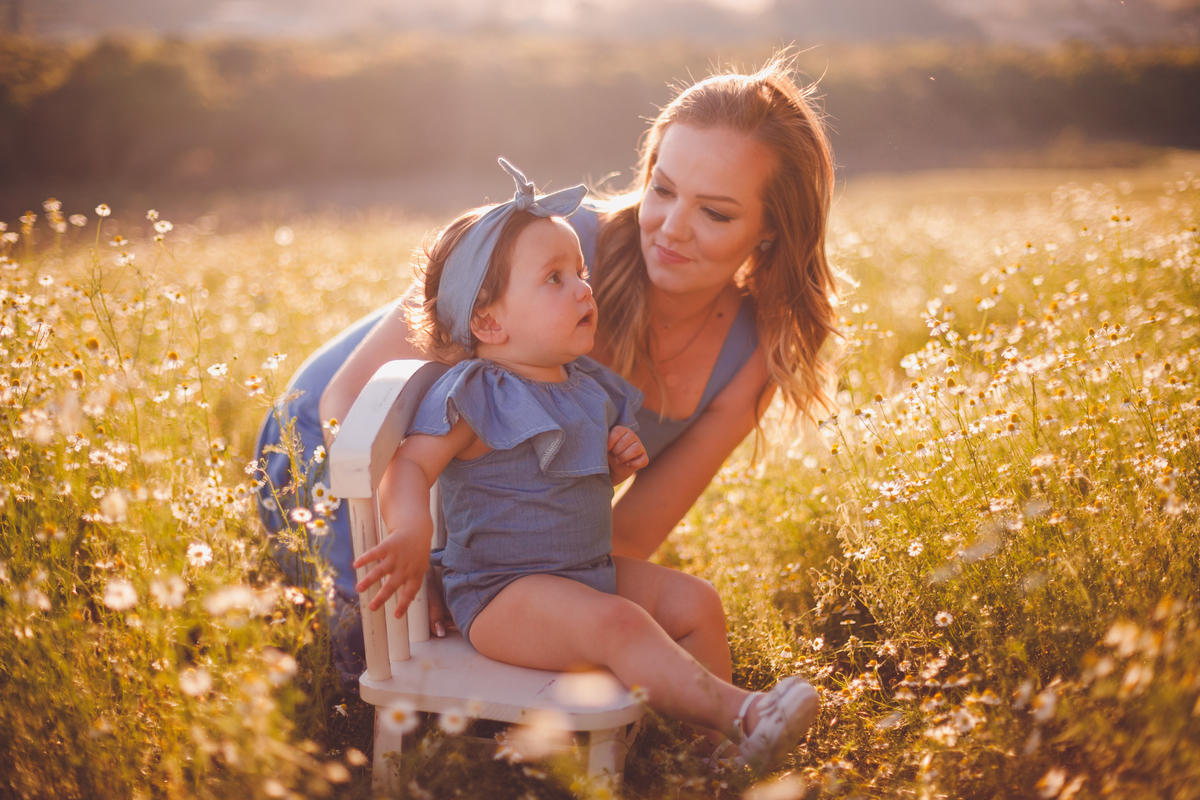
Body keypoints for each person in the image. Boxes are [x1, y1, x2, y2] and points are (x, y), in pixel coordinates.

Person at [253, 52, 836, 691]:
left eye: (715, 213)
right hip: (344, 460)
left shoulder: (754, 351)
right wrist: (442, 566)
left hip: (482, 527)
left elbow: (629, 532)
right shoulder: (555, 248)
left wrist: (540, 600)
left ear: (771, 230)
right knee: (371, 674)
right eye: (662, 190)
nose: (670, 228)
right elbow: (349, 402)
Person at [350, 158, 818, 774]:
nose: (582, 289)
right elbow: (409, 466)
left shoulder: (584, 385)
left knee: (696, 602)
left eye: (581, 272)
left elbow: (568, 483)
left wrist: (613, 466)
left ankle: (721, 759)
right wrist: (412, 532)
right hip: (502, 596)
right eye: (554, 278)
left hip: (582, 572)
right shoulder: (477, 392)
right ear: (489, 320)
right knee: (619, 624)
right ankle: (743, 715)